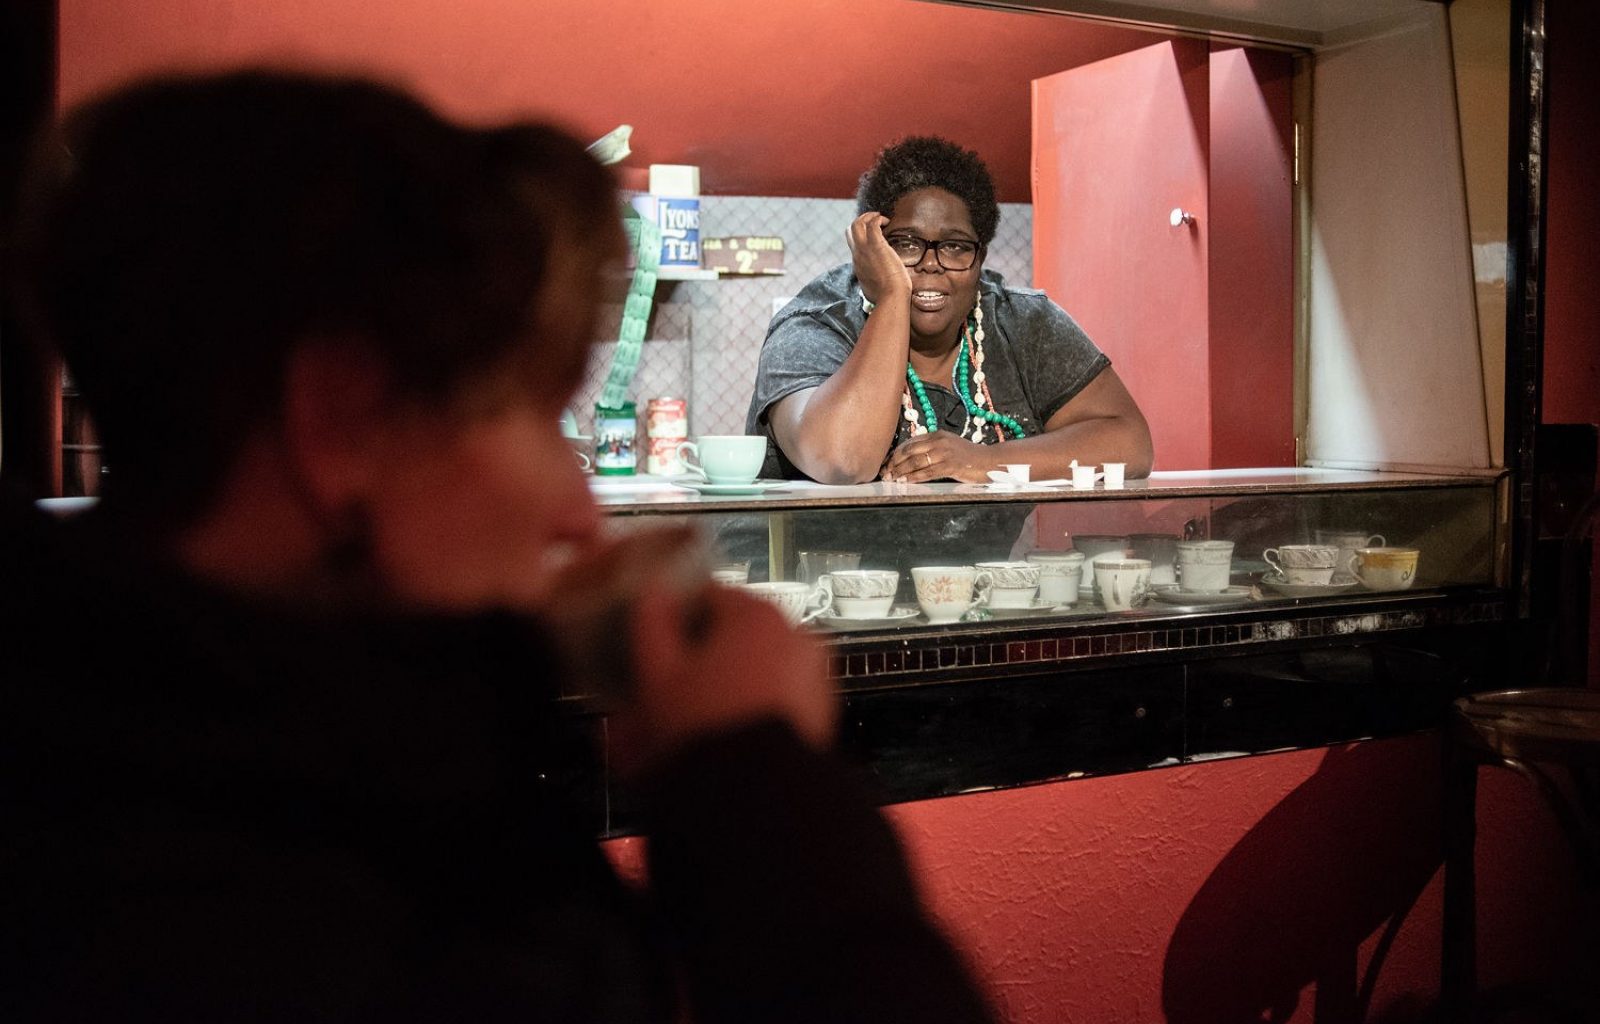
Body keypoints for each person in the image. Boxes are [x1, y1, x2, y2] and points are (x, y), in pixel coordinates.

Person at [0, 70, 994, 1024]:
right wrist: (750, 779)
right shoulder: (243, 920)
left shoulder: (299, 746)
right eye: (530, 411)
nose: (575, 506)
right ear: (343, 415)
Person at [746, 136, 1153, 485]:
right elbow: (842, 460)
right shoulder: (816, 324)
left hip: (974, 578)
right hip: (807, 574)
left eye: (955, 246)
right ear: (871, 251)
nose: (931, 263)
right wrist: (890, 296)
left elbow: (1130, 443)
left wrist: (984, 462)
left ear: (980, 258)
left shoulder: (1022, 323)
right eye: (906, 244)